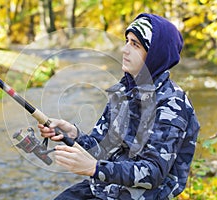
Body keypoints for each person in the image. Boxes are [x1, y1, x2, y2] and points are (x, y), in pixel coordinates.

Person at [38, 13, 200, 199]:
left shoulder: (172, 105)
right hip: (104, 188)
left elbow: (153, 172)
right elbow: (101, 148)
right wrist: (73, 134)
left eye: (135, 45)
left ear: (155, 55)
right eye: (127, 41)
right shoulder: (123, 92)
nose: (125, 50)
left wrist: (93, 168)